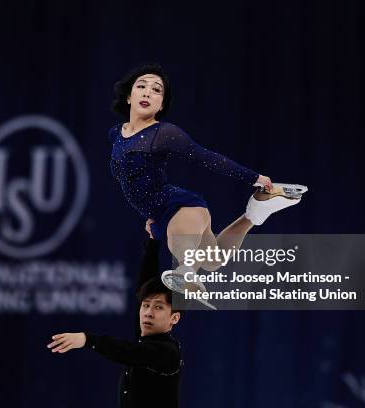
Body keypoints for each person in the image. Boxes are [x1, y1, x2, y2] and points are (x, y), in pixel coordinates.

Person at [108, 63, 307, 295]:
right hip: (160, 212)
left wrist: (254, 177)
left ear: (161, 105)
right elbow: (133, 179)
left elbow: (206, 158)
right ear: (128, 96)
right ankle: (256, 211)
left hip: (181, 207)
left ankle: (186, 272)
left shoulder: (163, 133)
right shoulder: (116, 133)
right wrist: (151, 214)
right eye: (141, 86)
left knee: (184, 249)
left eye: (157, 90)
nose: (147, 92)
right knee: (214, 261)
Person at [48, 238, 184, 408]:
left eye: (158, 307)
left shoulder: (168, 352)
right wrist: (152, 242)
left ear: (174, 318)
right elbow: (145, 282)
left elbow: (127, 351)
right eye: (146, 305)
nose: (148, 313)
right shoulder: (146, 333)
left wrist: (87, 339)